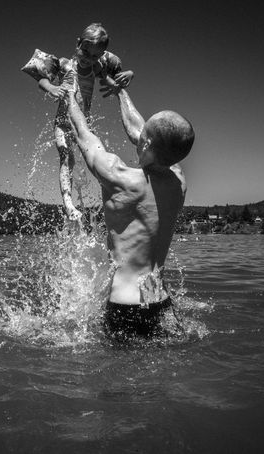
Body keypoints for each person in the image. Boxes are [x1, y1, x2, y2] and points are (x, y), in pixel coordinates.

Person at [64, 83, 194, 339]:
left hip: (124, 306)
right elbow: (145, 135)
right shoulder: (179, 180)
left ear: (145, 143)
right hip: (160, 300)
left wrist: (69, 94)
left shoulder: (119, 177)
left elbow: (82, 134)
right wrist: (120, 92)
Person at [21, 23, 134, 221]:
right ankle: (68, 204)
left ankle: (111, 202)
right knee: (67, 158)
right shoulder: (66, 65)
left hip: (84, 127)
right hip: (63, 123)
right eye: (85, 52)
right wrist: (53, 89)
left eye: (94, 56)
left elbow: (111, 82)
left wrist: (128, 76)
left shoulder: (96, 67)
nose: (88, 58)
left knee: (97, 162)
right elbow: (41, 79)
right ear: (78, 44)